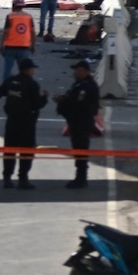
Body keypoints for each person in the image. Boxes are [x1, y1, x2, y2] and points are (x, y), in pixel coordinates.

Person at [0, 58, 48, 189]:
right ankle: (23, 179)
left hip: (12, 120)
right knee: (26, 151)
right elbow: (37, 104)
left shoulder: (10, 80)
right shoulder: (32, 84)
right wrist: (45, 98)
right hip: (27, 122)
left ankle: (7, 178)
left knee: (9, 150)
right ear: (29, 70)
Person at [55, 61, 100, 189]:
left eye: (79, 70)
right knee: (78, 150)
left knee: (81, 150)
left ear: (86, 72)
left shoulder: (87, 86)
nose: (76, 73)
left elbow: (78, 103)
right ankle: (80, 177)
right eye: (75, 70)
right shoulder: (79, 85)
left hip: (82, 122)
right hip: (76, 121)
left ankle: (81, 178)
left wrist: (64, 102)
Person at [0, 0, 36, 82]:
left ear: (14, 5)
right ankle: (24, 88)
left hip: (10, 47)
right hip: (24, 47)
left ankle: (6, 88)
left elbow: (6, 32)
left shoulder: (10, 16)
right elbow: (33, 32)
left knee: (7, 69)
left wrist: (1, 45)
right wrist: (33, 45)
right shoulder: (28, 17)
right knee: (24, 71)